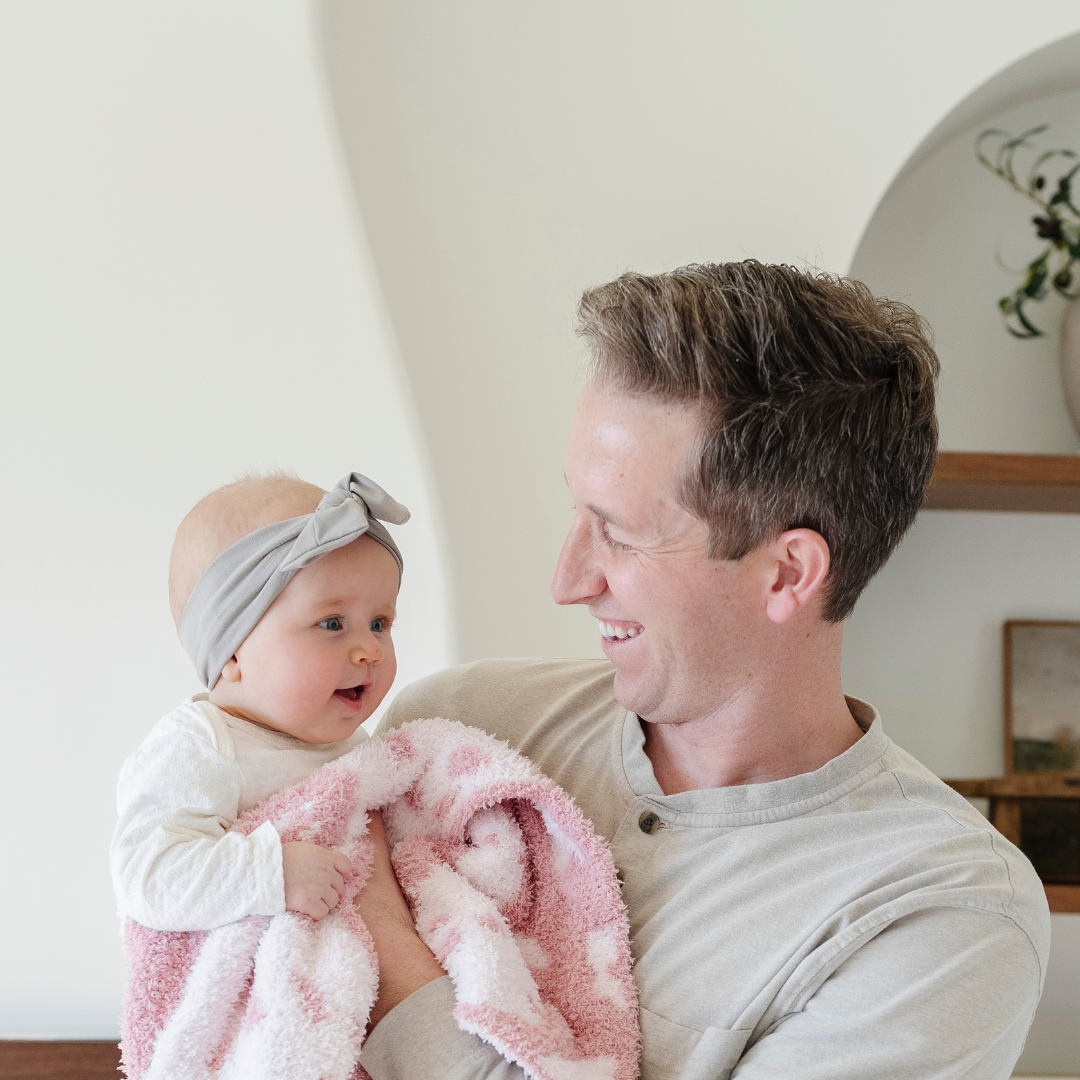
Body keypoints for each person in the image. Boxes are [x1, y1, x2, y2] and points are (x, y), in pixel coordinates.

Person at [355, 262, 1051, 1080]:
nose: (568, 582)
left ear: (787, 573)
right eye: (578, 510)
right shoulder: (458, 731)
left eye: (619, 534)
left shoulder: (941, 911)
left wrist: (383, 935)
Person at [110, 471, 407, 931]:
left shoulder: (355, 747)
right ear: (233, 651)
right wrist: (271, 874)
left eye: (379, 623)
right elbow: (147, 876)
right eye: (332, 623)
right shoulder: (201, 747)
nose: (370, 650)